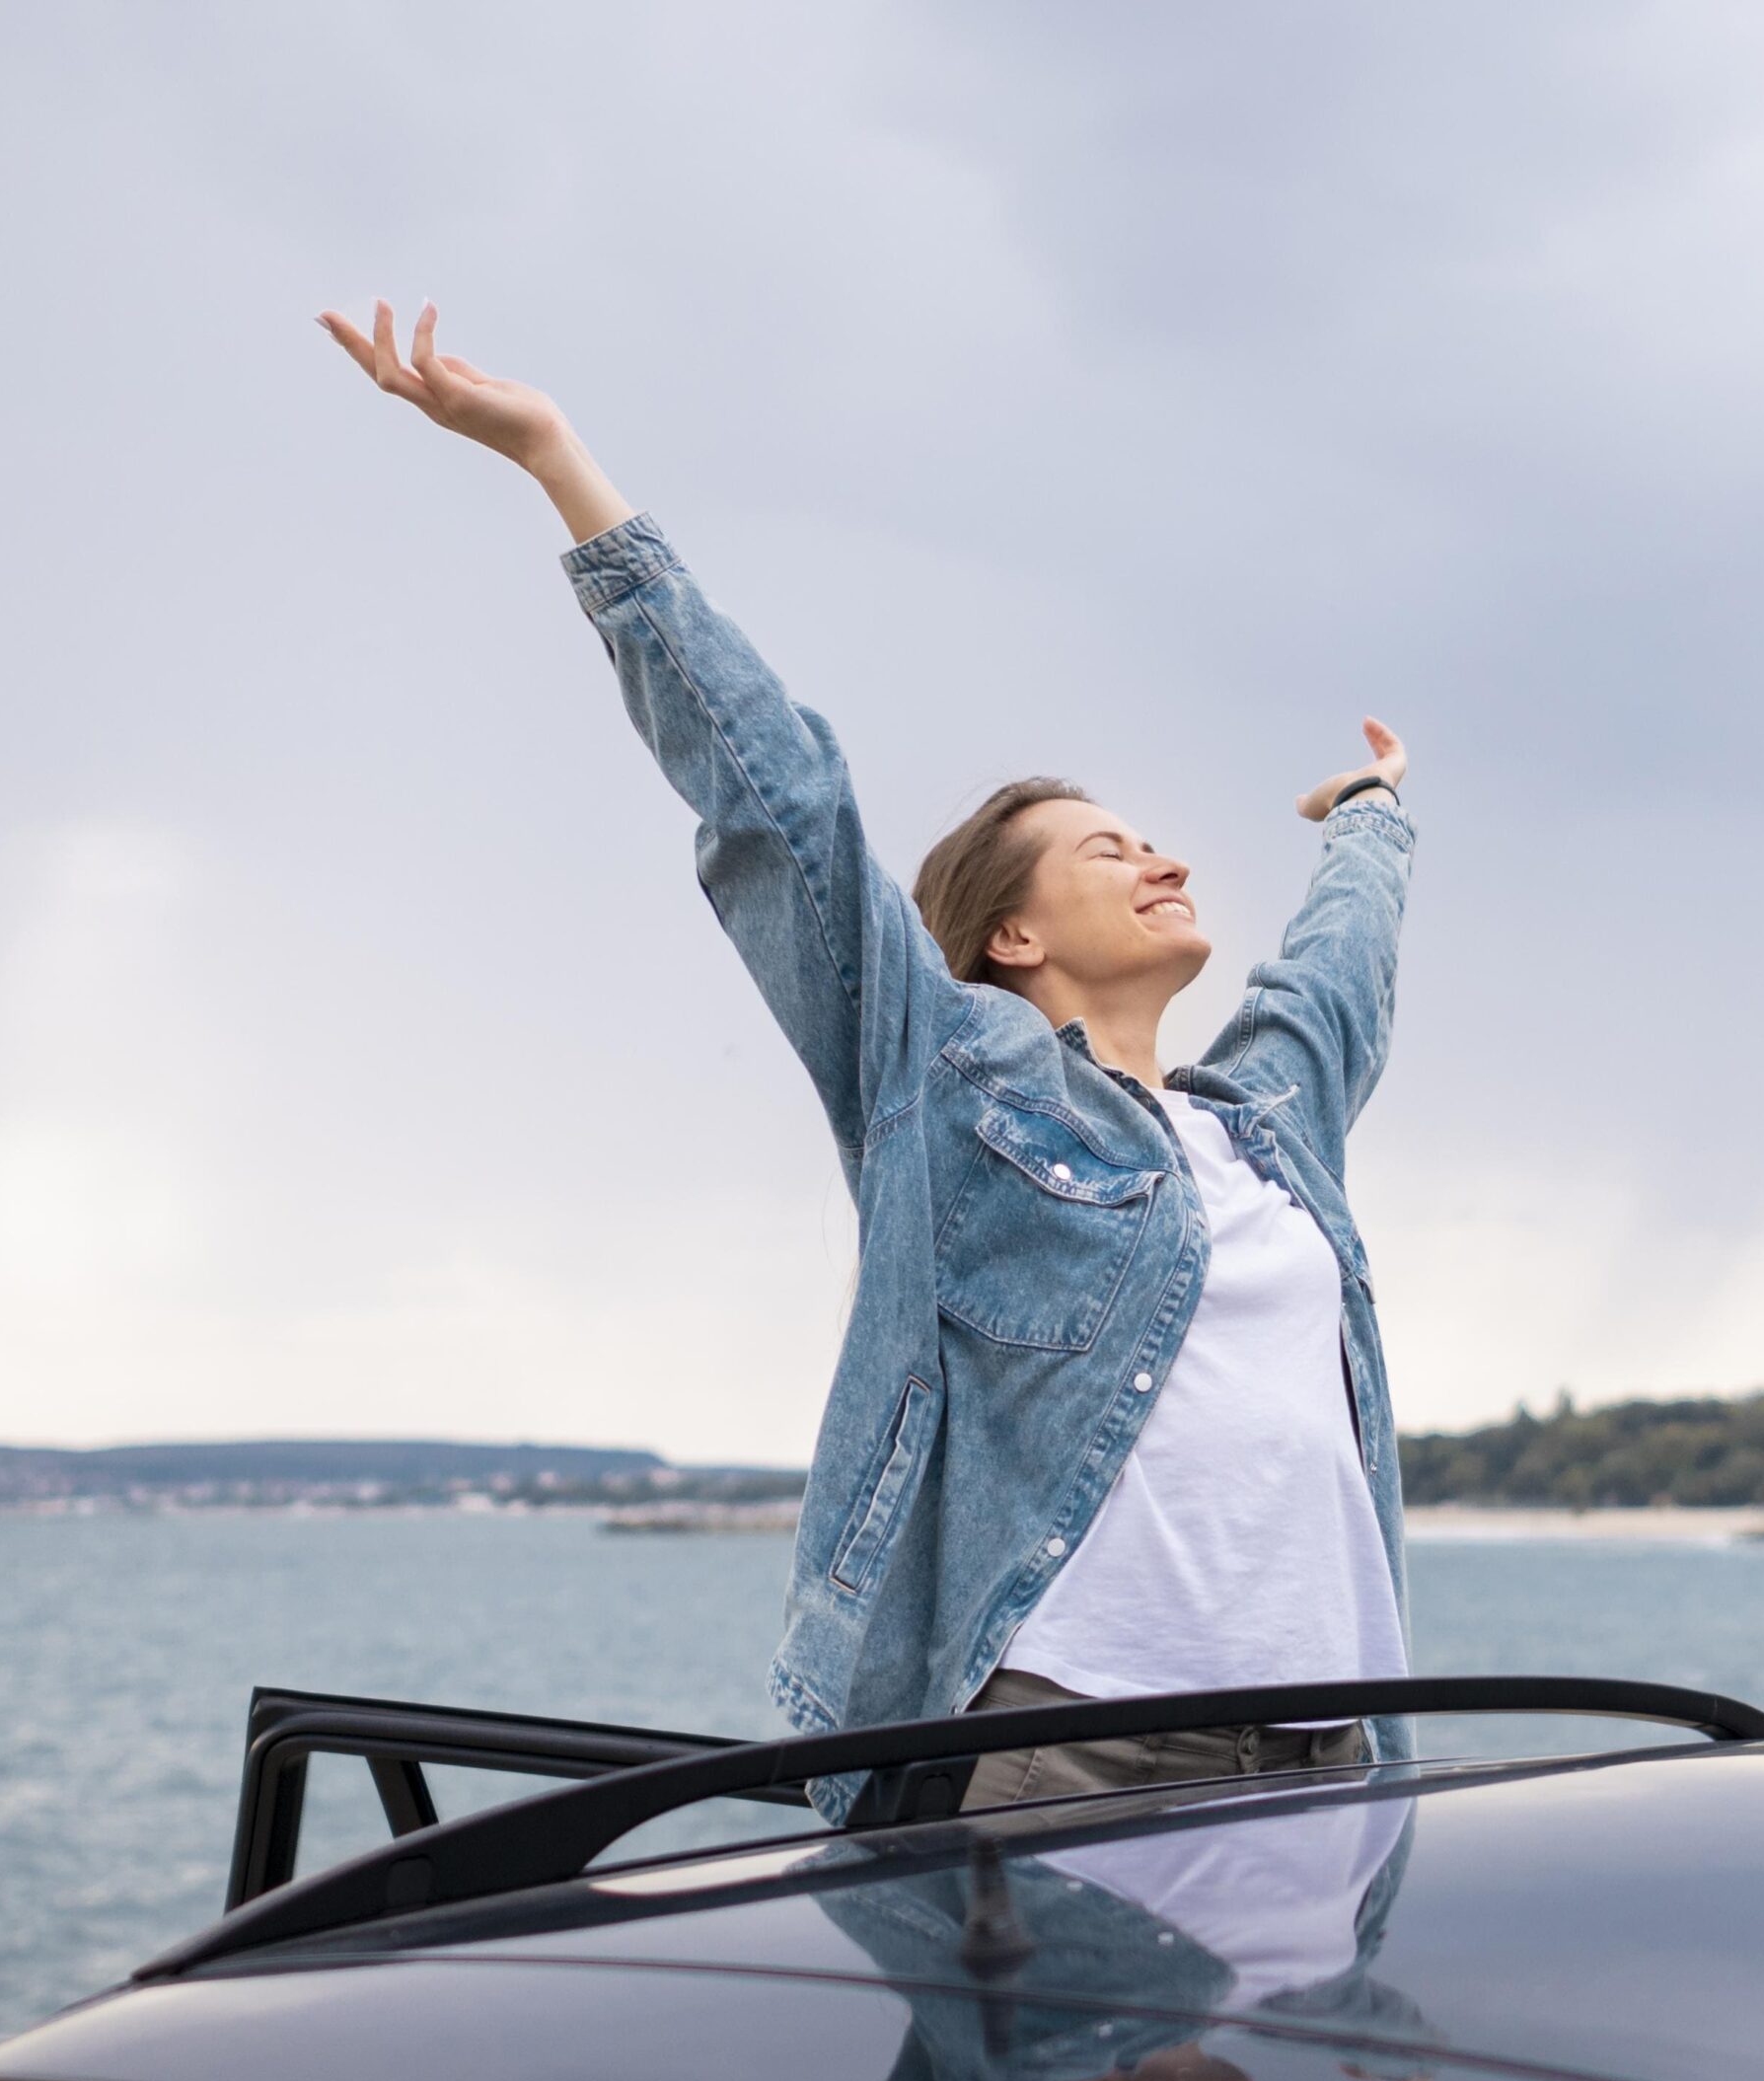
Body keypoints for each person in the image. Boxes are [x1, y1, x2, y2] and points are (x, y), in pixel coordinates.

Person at [321, 301, 1421, 1817]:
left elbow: (1339, 970)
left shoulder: (1267, 1130)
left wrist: (1373, 811)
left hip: (1328, 1745)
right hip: (1074, 1742)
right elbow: (784, 805)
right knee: (1078, 2069)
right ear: (1013, 940)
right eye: (1111, 850)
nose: (1164, 861)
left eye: (1158, 841)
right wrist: (556, 462)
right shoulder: (958, 1082)